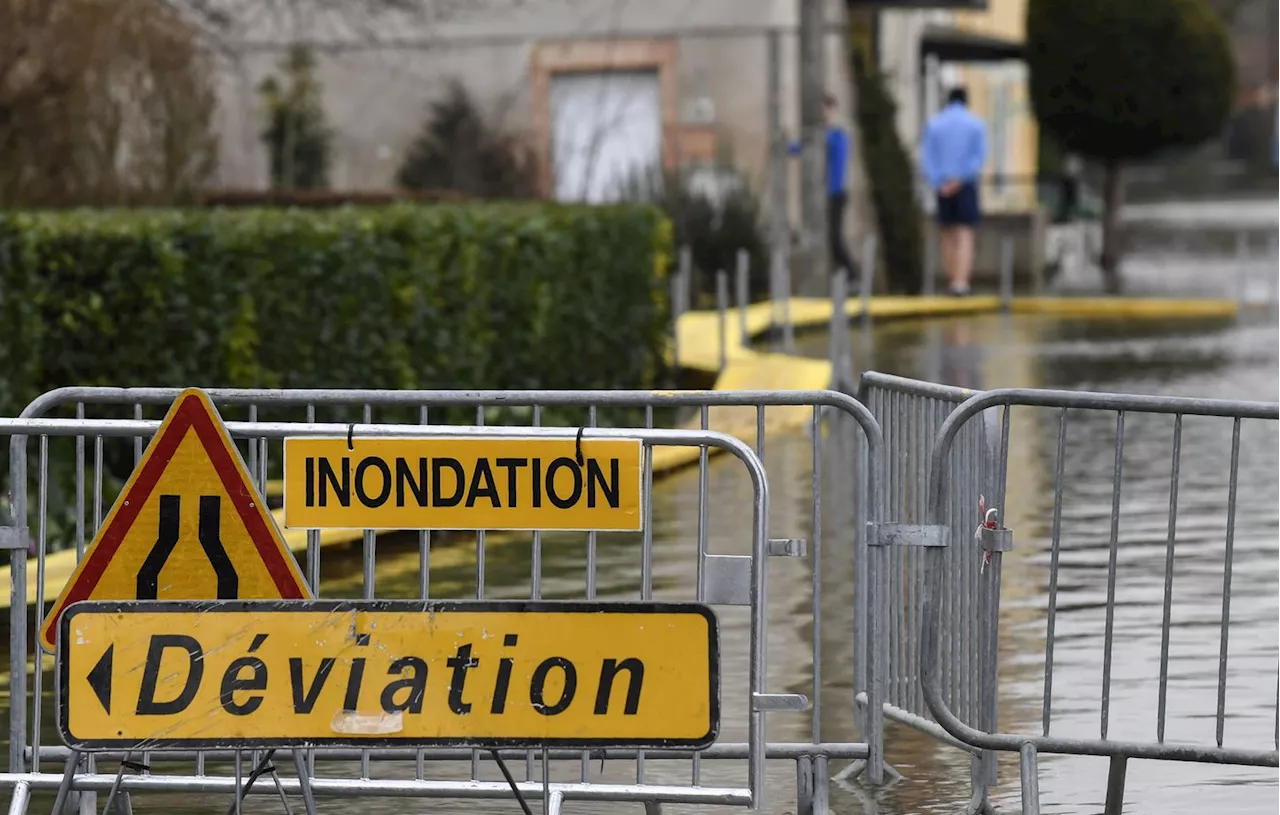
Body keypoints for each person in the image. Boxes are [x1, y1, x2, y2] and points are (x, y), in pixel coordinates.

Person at [920, 87, 988, 296]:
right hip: (965, 184)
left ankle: (952, 281)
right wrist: (960, 179)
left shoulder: (934, 124)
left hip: (942, 185)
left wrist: (939, 182)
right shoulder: (976, 124)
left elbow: (927, 157)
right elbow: (979, 157)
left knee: (947, 233)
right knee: (965, 233)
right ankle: (961, 283)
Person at [789, 93, 856, 278]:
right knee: (829, 238)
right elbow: (804, 147)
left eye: (827, 110)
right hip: (827, 193)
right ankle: (844, 274)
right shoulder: (827, 135)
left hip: (836, 193)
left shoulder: (838, 135)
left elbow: (816, 143)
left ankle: (850, 274)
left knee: (834, 238)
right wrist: (787, 147)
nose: (825, 114)